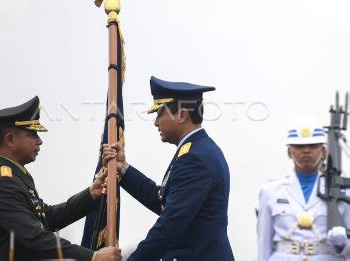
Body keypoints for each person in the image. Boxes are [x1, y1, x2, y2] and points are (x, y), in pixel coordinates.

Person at [103, 76, 234, 260]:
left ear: (182, 115)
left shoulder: (195, 158)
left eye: (160, 113)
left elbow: (171, 223)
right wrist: (123, 168)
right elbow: (163, 201)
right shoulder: (195, 151)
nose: (156, 122)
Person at [0, 96, 122, 261]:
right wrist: (93, 257)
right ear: (10, 139)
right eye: (32, 134)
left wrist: (91, 193)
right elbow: (35, 238)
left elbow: (46, 217)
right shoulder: (2, 183)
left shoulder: (13, 176)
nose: (39, 141)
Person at [257, 124, 350, 260]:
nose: (306, 151)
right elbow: (263, 243)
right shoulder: (271, 190)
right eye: (299, 147)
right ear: (289, 152)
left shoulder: (342, 190)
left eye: (313, 146)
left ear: (323, 152)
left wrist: (343, 244)